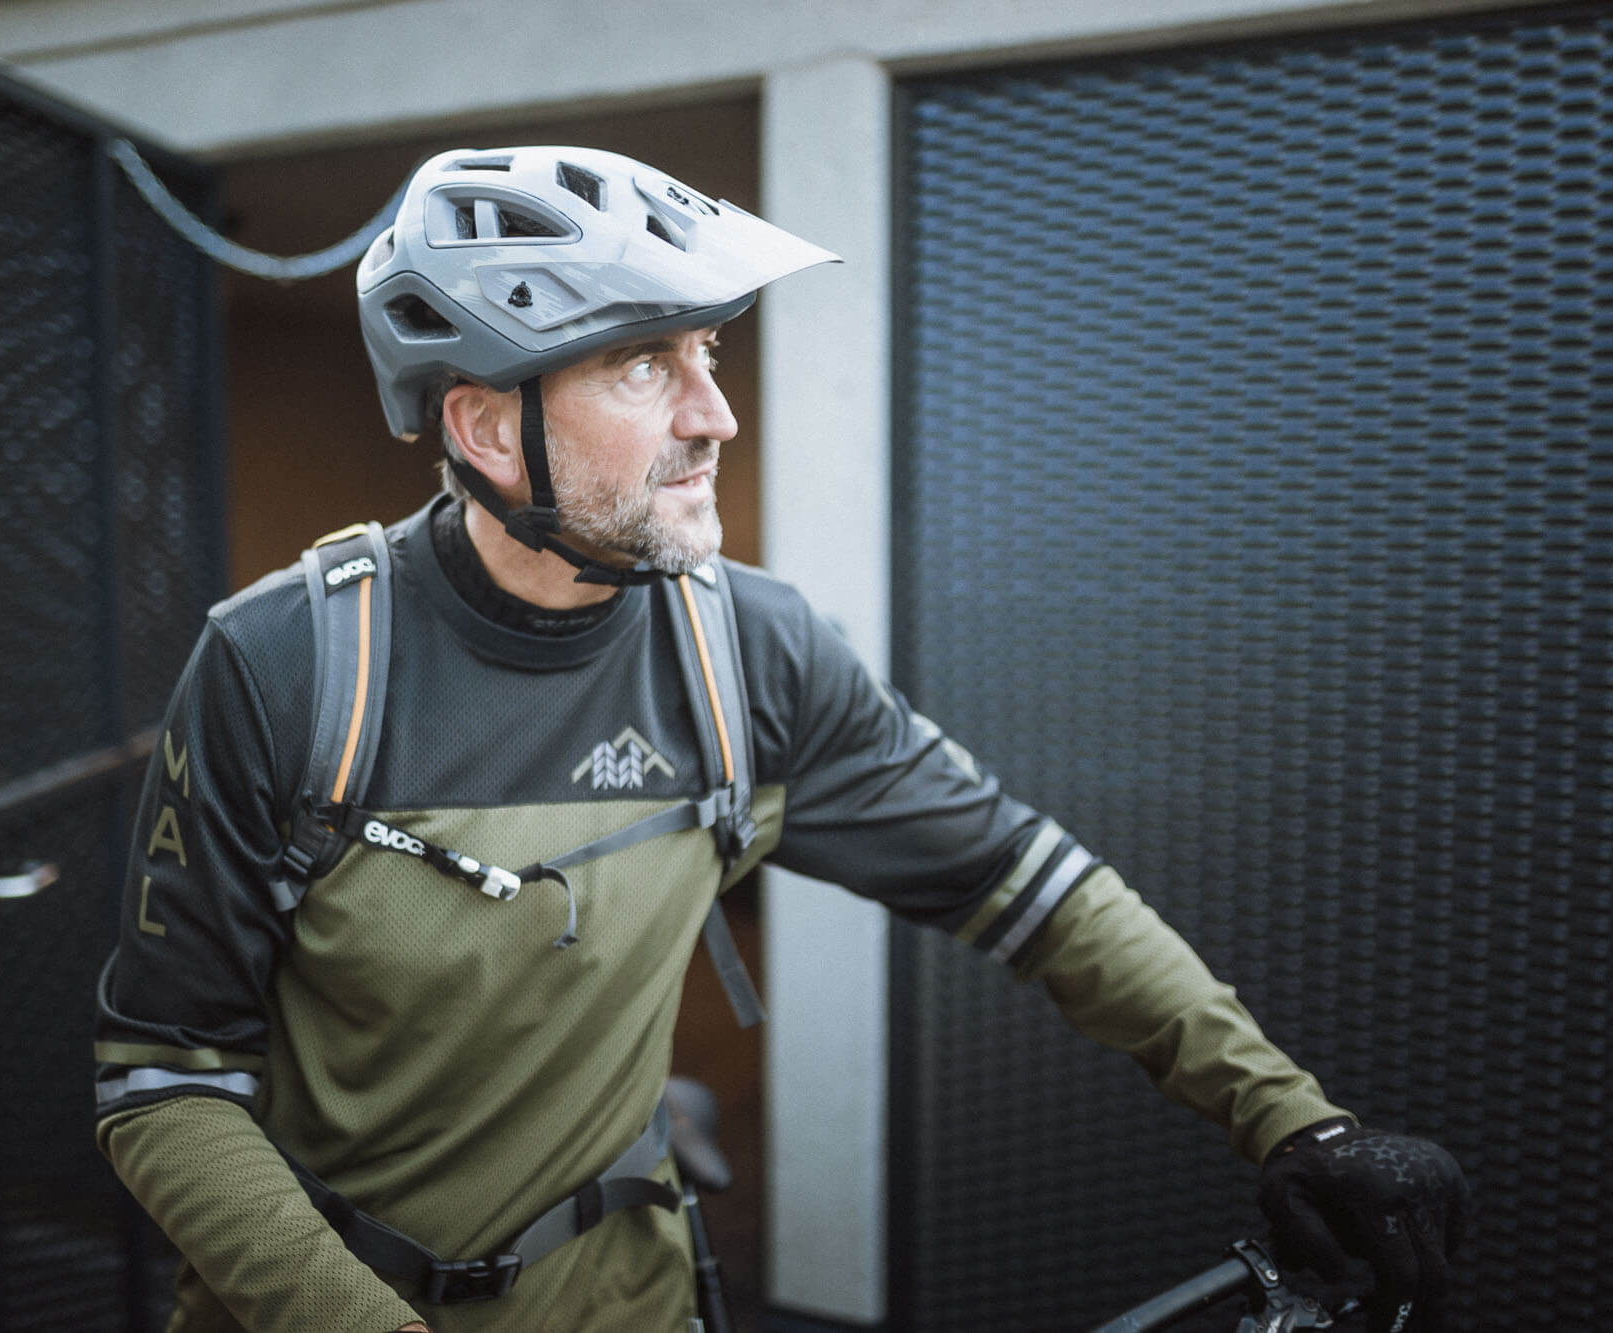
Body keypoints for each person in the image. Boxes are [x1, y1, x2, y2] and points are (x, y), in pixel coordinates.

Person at [93, 145, 1467, 1333]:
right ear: (487, 428)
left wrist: (1293, 1117)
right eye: (646, 362)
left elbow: (1033, 888)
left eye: (707, 353)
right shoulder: (289, 663)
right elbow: (163, 1081)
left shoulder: (749, 647)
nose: (715, 415)